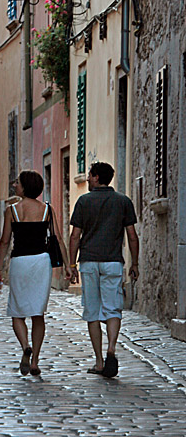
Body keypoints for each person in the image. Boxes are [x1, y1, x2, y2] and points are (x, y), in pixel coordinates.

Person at [0, 170, 72, 376]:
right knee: (38, 313)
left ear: (25, 186)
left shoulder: (12, 211)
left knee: (17, 311)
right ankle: (35, 360)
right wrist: (68, 265)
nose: (14, 185)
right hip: (41, 262)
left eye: (17, 183)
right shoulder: (47, 209)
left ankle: (25, 346)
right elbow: (58, 239)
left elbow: (4, 241)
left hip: (20, 261)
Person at [69, 162, 139, 378]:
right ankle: (111, 349)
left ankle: (99, 361)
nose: (88, 179)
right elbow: (132, 235)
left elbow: (75, 236)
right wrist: (134, 263)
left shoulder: (84, 201)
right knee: (113, 309)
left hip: (89, 261)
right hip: (113, 262)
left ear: (97, 177)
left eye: (90, 176)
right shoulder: (123, 201)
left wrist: (72, 265)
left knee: (92, 311)